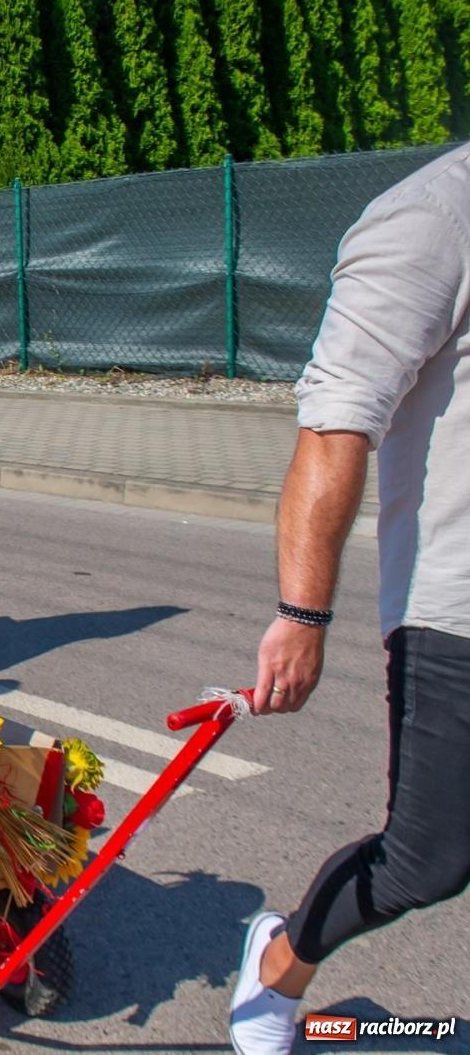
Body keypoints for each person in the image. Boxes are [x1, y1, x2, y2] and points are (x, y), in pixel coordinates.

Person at [229, 143, 470, 1055]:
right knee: (427, 858)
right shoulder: (434, 217)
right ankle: (281, 964)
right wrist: (303, 614)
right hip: (457, 605)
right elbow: (337, 427)